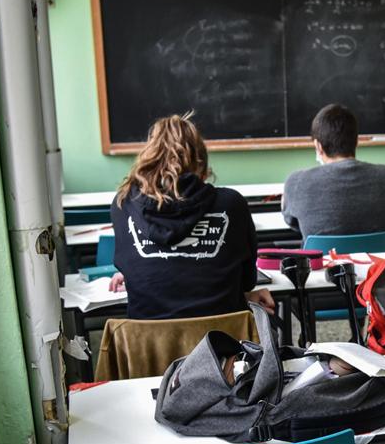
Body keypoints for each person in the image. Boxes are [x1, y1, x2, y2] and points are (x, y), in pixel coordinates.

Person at [107, 113, 273, 320]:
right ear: (200, 162)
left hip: (148, 339)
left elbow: (136, 270)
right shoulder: (231, 204)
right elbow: (247, 281)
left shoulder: (123, 204)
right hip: (223, 337)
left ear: (148, 159)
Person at [281, 104, 385, 240]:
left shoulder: (296, 182)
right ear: (356, 141)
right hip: (375, 255)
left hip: (322, 255)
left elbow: (293, 223)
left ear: (318, 146)